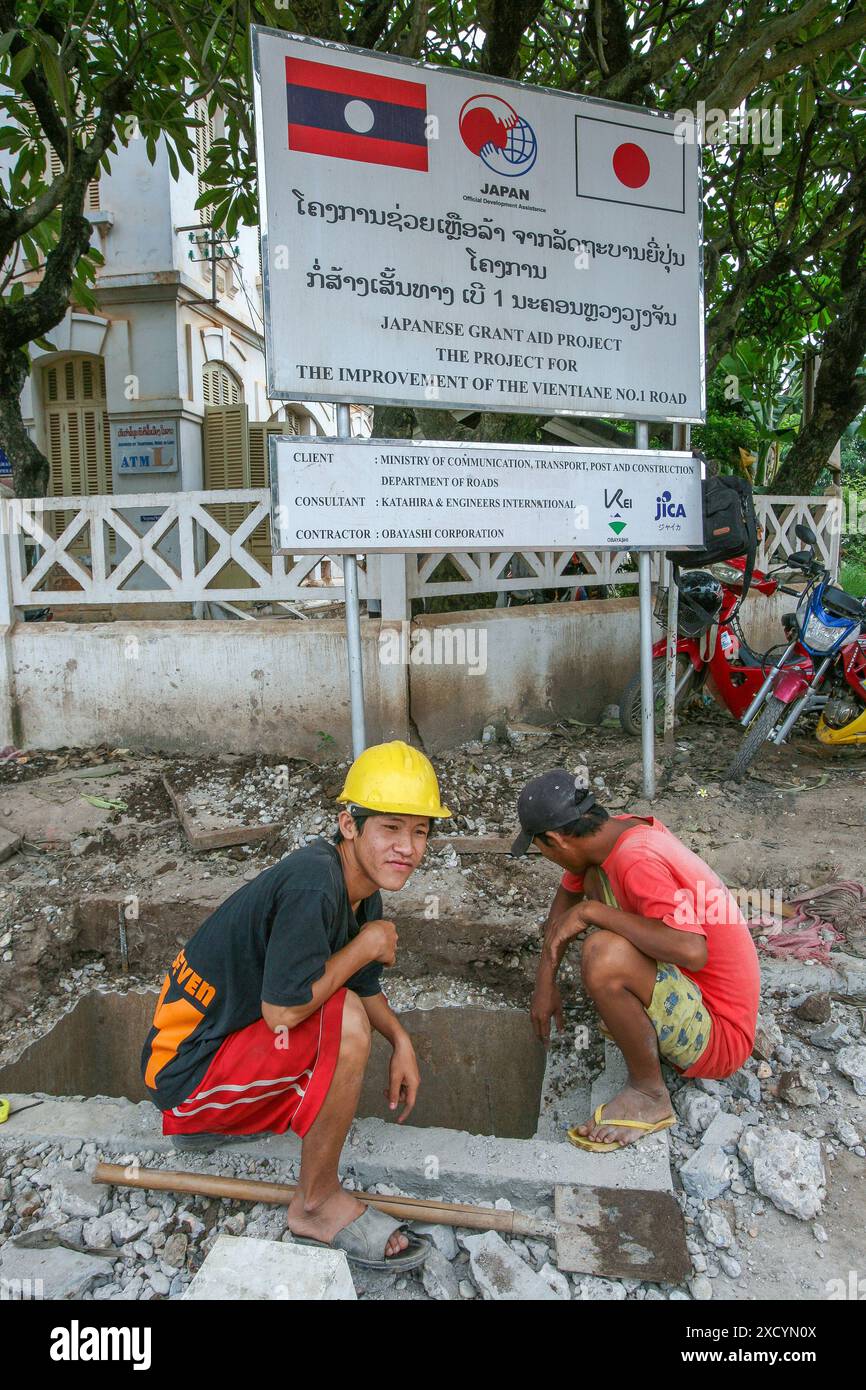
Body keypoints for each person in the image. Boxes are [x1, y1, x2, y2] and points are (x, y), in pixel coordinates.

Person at [140, 740, 451, 1269]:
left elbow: (364, 983)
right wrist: (367, 944)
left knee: (349, 1004)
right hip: (184, 1081)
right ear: (349, 824)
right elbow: (283, 1014)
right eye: (391, 828)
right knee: (343, 1018)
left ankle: (239, 1130)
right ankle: (315, 1204)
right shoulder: (314, 882)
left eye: (420, 831)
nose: (407, 847)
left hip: (218, 1057)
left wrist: (401, 1040)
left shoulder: (358, 888)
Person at [512, 769, 760, 1152]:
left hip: (721, 1037)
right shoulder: (611, 837)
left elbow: (692, 949)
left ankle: (649, 1094)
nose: (545, 856)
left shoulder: (635, 859)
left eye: (539, 848)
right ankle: (637, 1026)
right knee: (592, 892)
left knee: (602, 953)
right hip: (698, 996)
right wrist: (544, 983)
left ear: (556, 839)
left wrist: (594, 913)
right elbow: (561, 913)